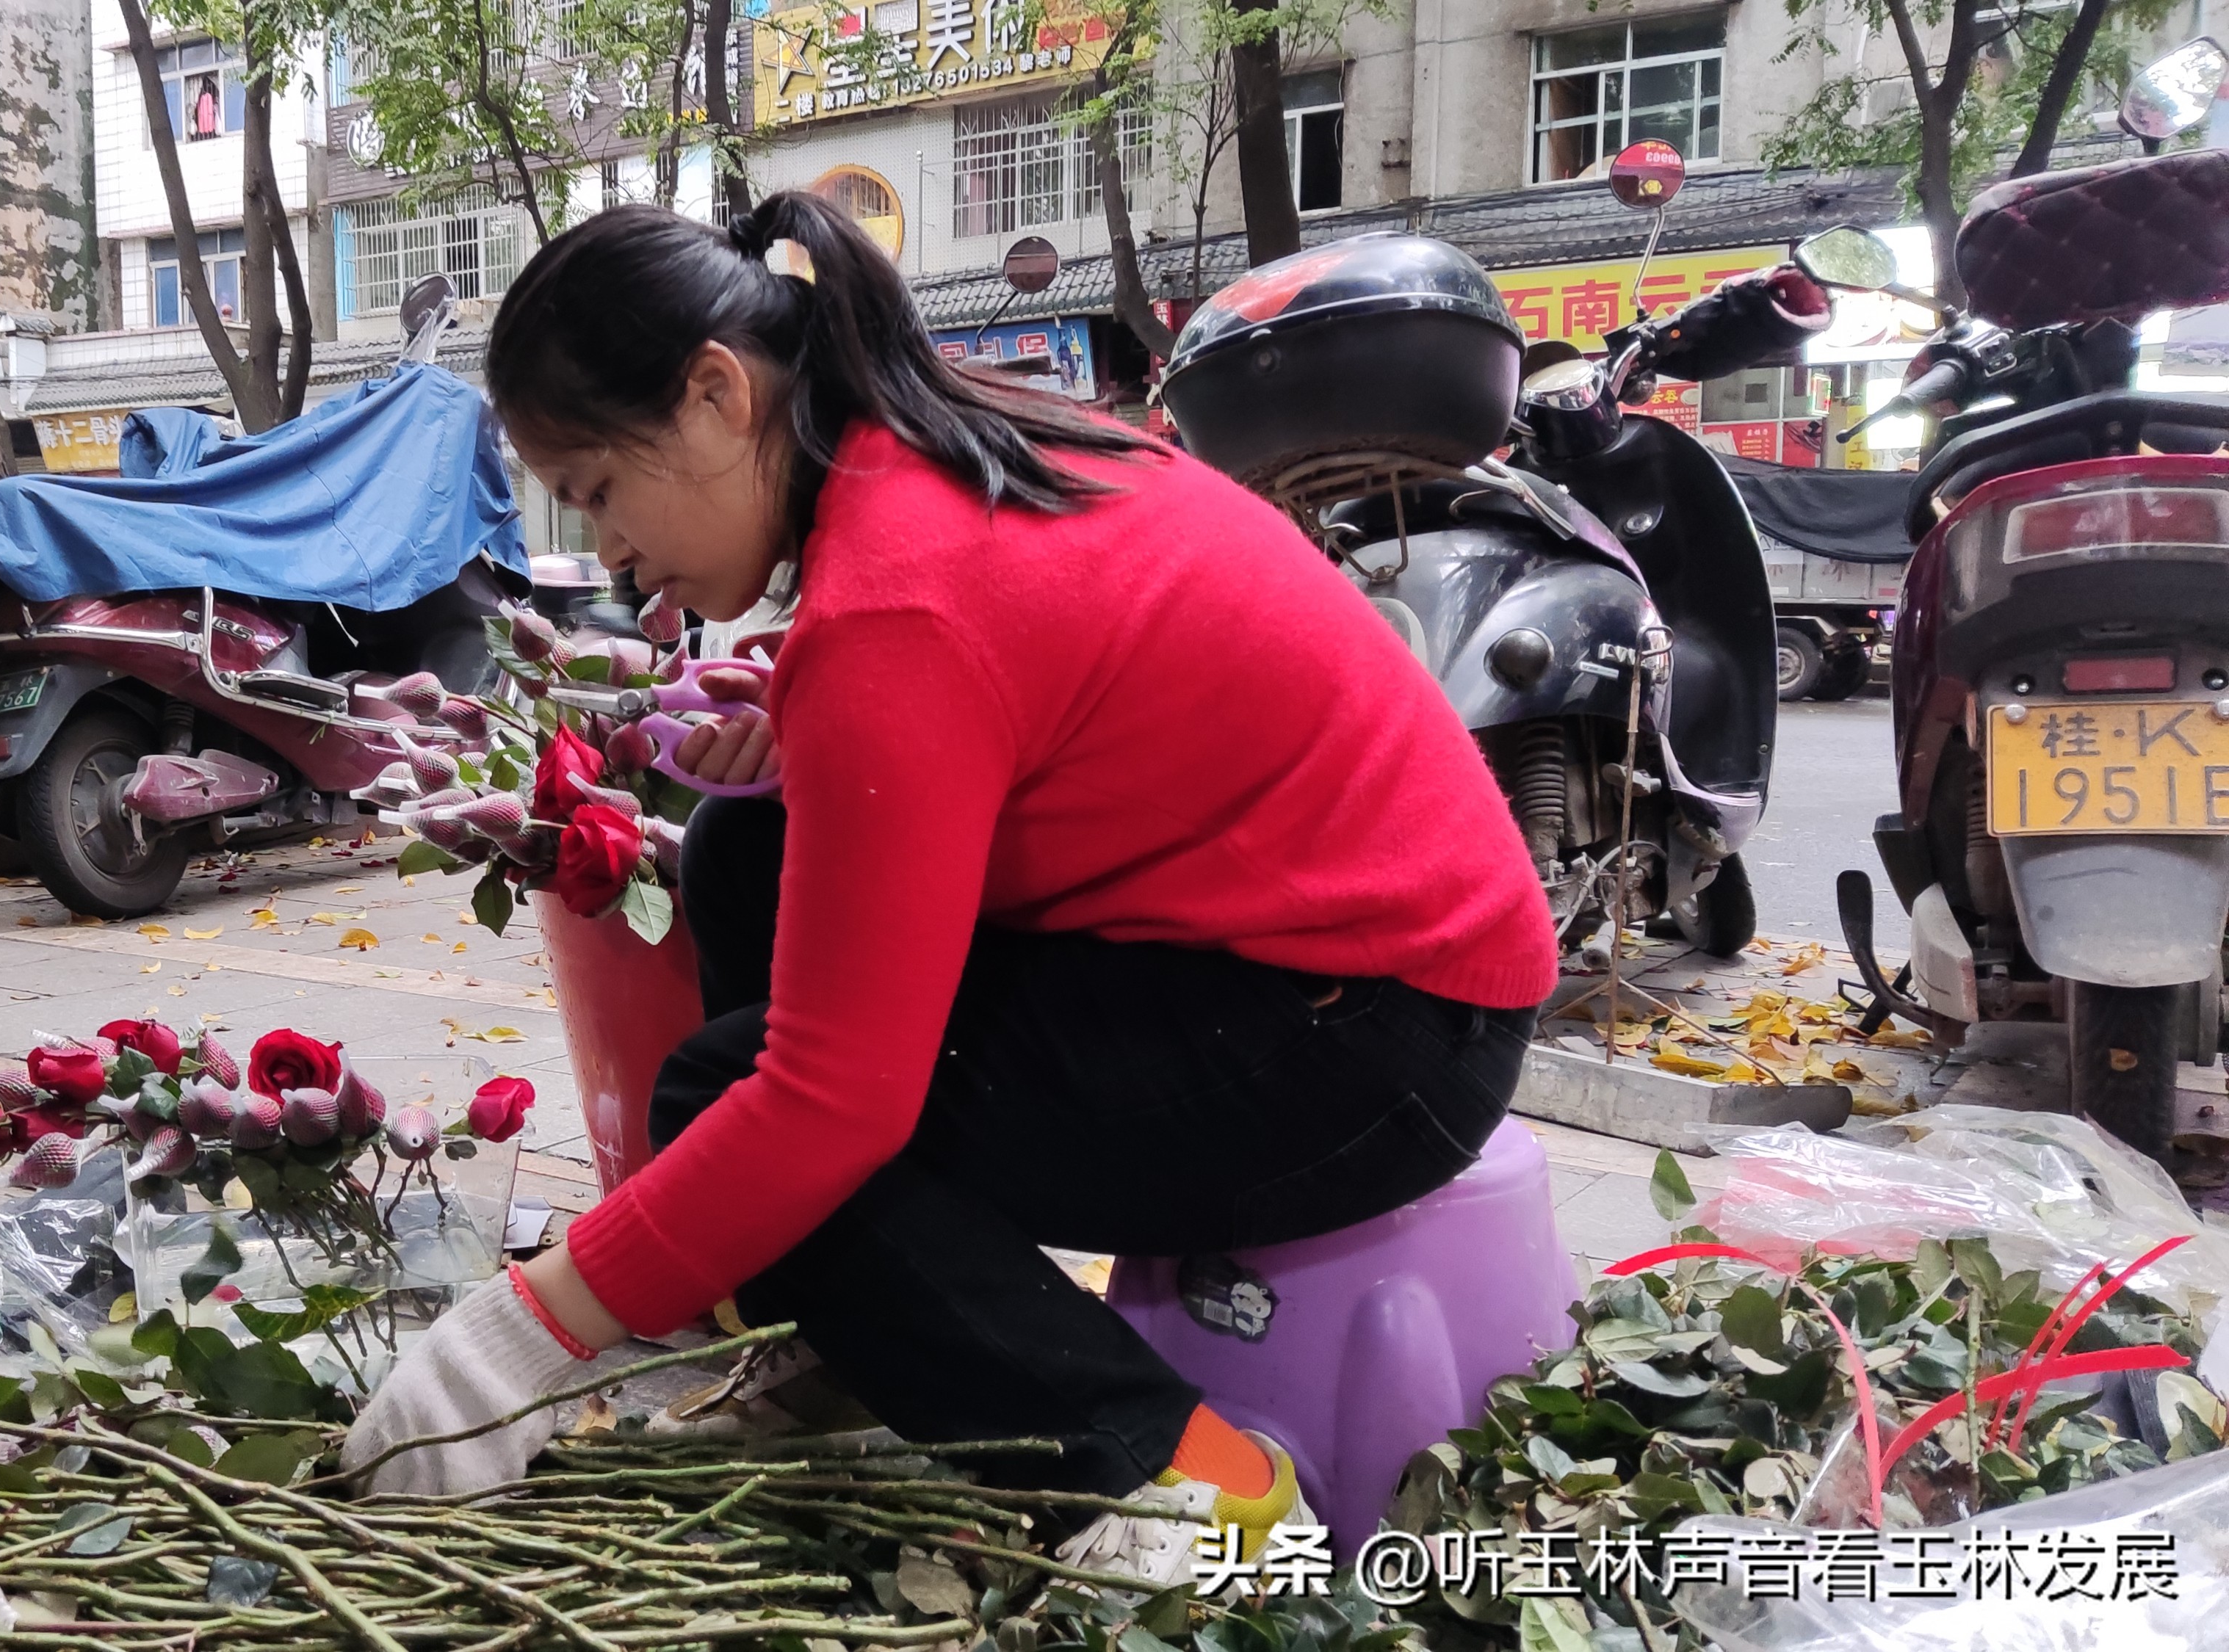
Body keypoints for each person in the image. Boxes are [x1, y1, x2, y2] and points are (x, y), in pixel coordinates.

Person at [343, 192, 1557, 1584]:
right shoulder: (938, 448)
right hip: (1318, 953)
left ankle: (1194, 1494)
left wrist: (514, 1339)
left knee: (752, 1119)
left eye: (604, 490)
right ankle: (845, 1326)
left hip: (1379, 1033)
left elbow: (828, 1106)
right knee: (752, 853)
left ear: (716, 394)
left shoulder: (899, 601)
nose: (609, 553)